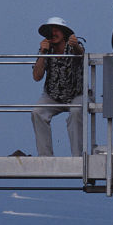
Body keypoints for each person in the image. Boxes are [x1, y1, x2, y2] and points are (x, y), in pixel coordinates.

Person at [31, 16, 85, 156]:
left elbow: (82, 56)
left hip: (76, 95)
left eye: (57, 30)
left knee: (76, 112)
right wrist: (43, 53)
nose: (53, 34)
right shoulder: (45, 50)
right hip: (53, 95)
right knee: (37, 112)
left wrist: (76, 46)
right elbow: (37, 77)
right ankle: (45, 156)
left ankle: (77, 157)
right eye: (50, 31)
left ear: (64, 33)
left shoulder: (73, 46)